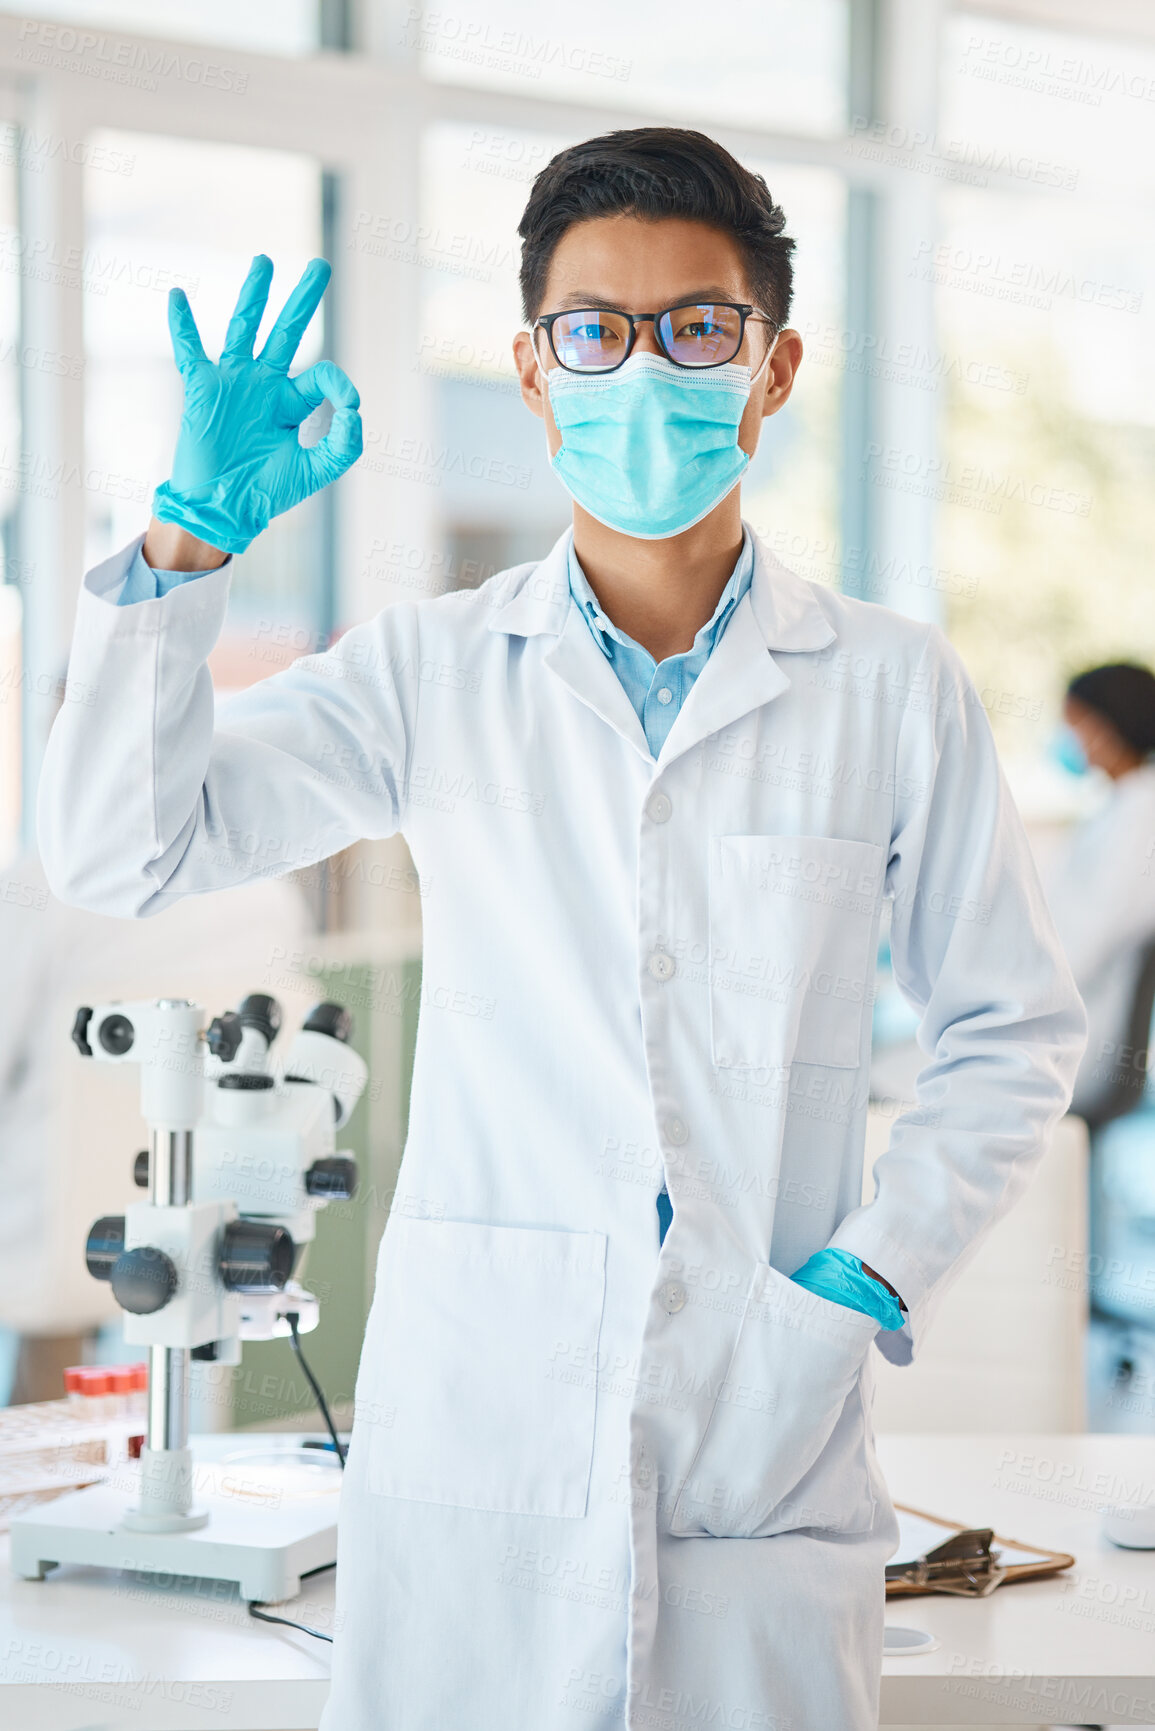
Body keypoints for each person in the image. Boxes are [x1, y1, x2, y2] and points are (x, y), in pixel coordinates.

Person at [37, 129, 1084, 1731]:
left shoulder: (886, 684)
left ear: (773, 363)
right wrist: (186, 543)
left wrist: (863, 1281)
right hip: (481, 1435)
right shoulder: (432, 671)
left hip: (764, 1429)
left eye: (694, 328)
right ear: (531, 373)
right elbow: (120, 847)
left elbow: (1008, 1031)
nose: (640, 369)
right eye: (593, 331)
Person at [1044, 662, 1155, 1120]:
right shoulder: (1122, 805)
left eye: (1073, 726)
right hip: (1073, 1025)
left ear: (1106, 728)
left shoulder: (1138, 817)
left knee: (893, 1077)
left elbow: (1082, 950)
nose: (1066, 741)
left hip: (1080, 1049)